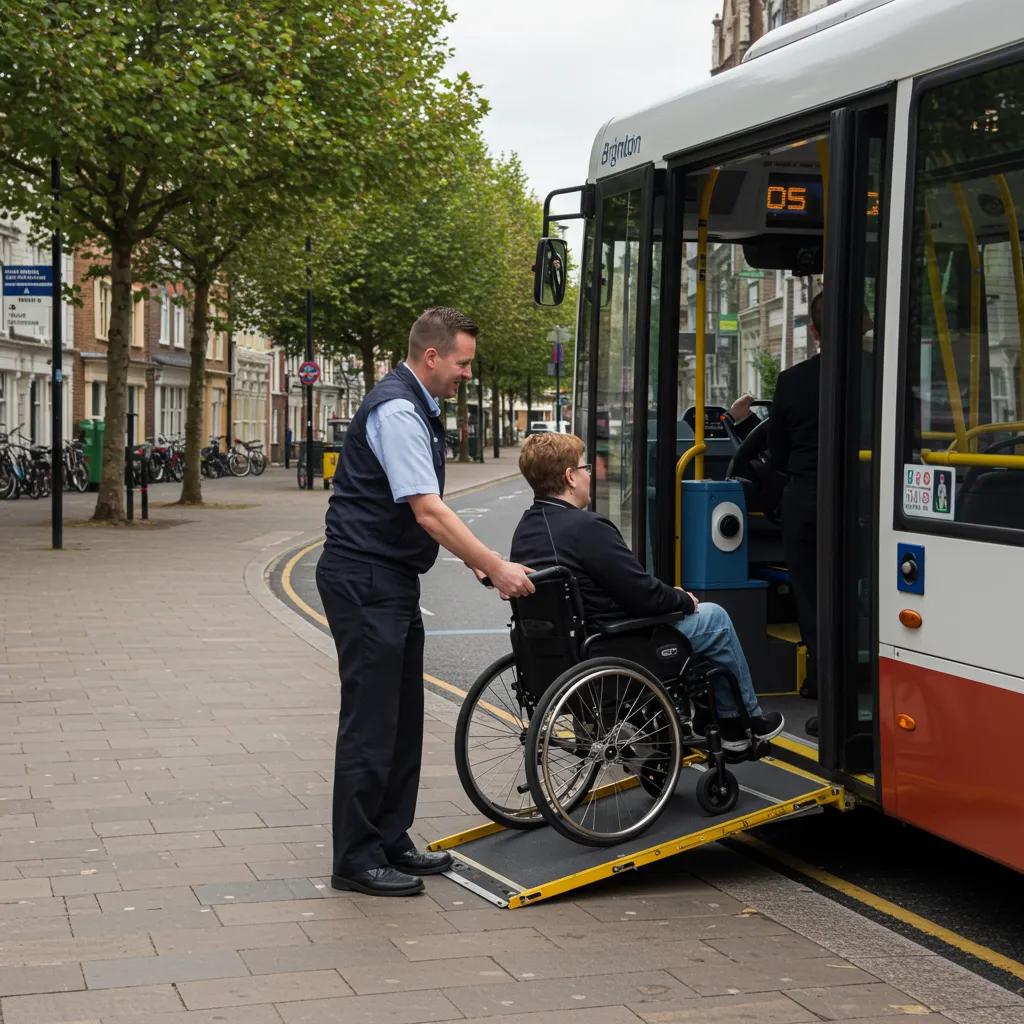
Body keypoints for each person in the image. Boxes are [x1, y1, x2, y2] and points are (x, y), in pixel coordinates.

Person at [316, 307, 535, 898]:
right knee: (371, 720)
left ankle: (390, 838)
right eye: (463, 363)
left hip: (386, 578)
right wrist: (492, 565)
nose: (468, 373)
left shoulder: (417, 406)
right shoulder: (397, 409)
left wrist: (473, 561)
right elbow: (427, 508)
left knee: (402, 715)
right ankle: (356, 858)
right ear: (432, 356)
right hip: (365, 578)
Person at [509, 432, 784, 753]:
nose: (589, 475)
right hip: (614, 644)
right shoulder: (588, 528)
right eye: (584, 468)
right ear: (570, 477)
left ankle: (712, 717)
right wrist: (682, 599)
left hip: (559, 655)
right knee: (714, 618)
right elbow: (641, 594)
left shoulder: (525, 530)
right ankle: (741, 722)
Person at [769, 291, 824, 707]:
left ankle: (821, 680)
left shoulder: (792, 382)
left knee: (809, 590)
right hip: (869, 504)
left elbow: (779, 456)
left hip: (807, 502)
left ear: (815, 331)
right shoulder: (885, 376)